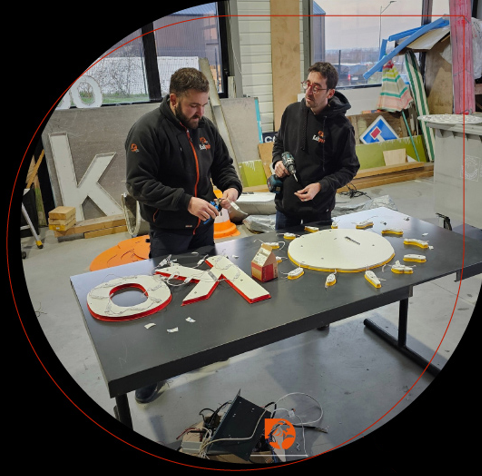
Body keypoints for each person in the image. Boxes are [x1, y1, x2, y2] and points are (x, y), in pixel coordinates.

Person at [125, 67, 242, 403]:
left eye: (204, 105)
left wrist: (231, 188)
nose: (200, 112)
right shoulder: (147, 130)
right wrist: (185, 202)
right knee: (166, 303)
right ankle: (155, 372)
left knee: (204, 292)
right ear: (174, 99)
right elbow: (138, 185)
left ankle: (204, 349)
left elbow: (223, 165)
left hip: (203, 230)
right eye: (193, 106)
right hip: (169, 232)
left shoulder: (204, 126)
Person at [272, 62, 360, 230]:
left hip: (319, 210)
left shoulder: (341, 127)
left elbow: (349, 168)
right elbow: (279, 143)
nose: (308, 91)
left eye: (316, 88)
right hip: (286, 207)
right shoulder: (291, 112)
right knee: (283, 246)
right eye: (307, 84)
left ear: (330, 93)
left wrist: (321, 186)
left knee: (317, 248)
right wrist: (277, 161)